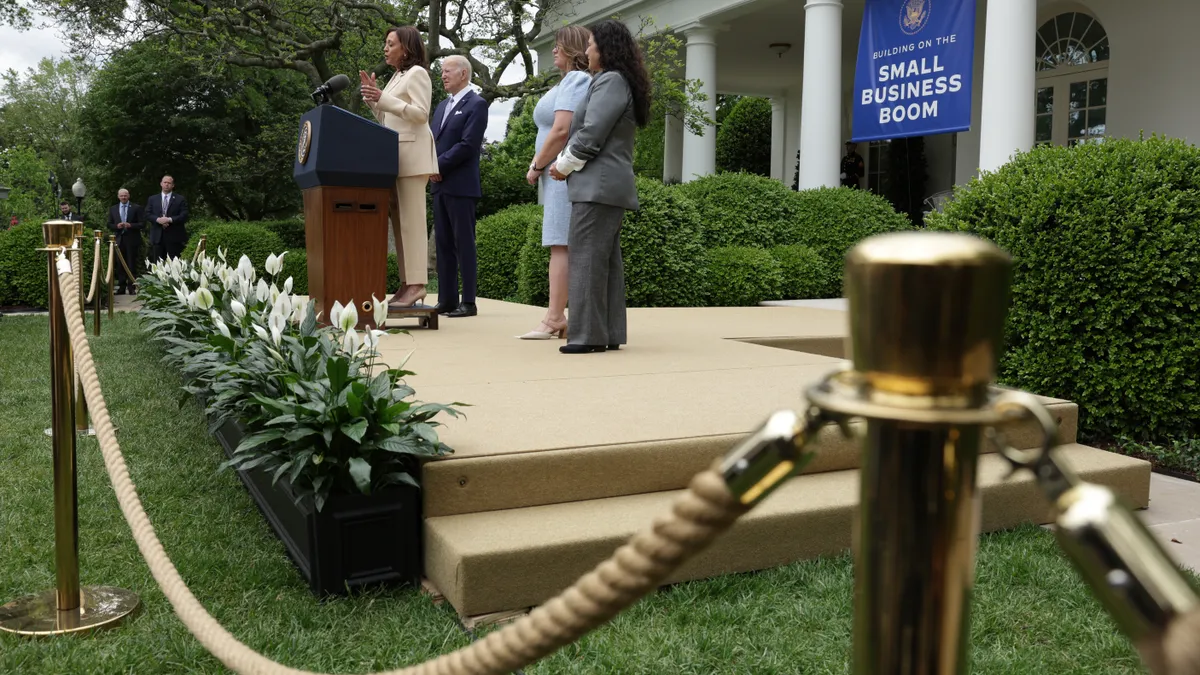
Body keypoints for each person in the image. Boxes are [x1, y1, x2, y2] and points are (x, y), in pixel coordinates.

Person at [549, 19, 650, 354]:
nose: (587, 49)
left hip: (598, 186)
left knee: (587, 259)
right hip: (605, 187)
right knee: (605, 263)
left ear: (606, 48)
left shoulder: (610, 81)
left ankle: (586, 336)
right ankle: (607, 332)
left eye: (591, 43)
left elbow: (592, 133)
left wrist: (562, 165)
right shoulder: (615, 81)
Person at [518, 25, 593, 340]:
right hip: (556, 177)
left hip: (563, 175)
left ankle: (554, 319)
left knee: (560, 245)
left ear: (572, 48)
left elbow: (561, 130)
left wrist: (536, 165)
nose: (553, 50)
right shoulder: (566, 82)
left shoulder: (577, 80)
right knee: (558, 244)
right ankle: (557, 317)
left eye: (558, 45)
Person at [360, 25, 440, 311]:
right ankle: (407, 283)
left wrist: (383, 98)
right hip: (395, 157)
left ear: (405, 48)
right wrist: (374, 101)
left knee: (412, 223)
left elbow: (420, 114)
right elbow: (388, 116)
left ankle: (417, 284)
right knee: (400, 223)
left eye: (390, 43)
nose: (385, 48)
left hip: (413, 157)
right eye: (385, 43)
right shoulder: (397, 76)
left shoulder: (418, 73)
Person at [429, 55, 489, 318]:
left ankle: (470, 302)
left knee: (464, 243)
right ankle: (448, 299)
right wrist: (429, 166)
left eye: (447, 71)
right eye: (441, 71)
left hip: (461, 185)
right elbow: (432, 141)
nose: (442, 75)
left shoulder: (477, 104)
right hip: (439, 185)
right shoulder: (442, 106)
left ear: (464, 73)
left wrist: (437, 166)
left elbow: (468, 145)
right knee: (443, 243)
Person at [106, 188, 144, 294]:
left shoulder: (136, 208)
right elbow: (109, 224)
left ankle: (132, 287)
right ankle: (121, 287)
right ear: (118, 197)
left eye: (125, 195)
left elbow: (142, 224)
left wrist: (131, 225)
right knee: (120, 264)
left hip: (132, 239)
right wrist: (116, 226)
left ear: (128, 196)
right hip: (119, 239)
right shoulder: (113, 209)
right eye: (121, 196)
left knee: (131, 263)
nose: (123, 197)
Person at [144, 175, 190, 262]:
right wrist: (158, 220)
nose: (166, 185)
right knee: (157, 264)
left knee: (174, 264)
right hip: (157, 237)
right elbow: (147, 214)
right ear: (161, 184)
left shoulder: (180, 199)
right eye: (165, 182)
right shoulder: (153, 199)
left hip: (174, 237)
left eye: (169, 183)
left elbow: (184, 215)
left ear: (173, 185)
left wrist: (169, 219)